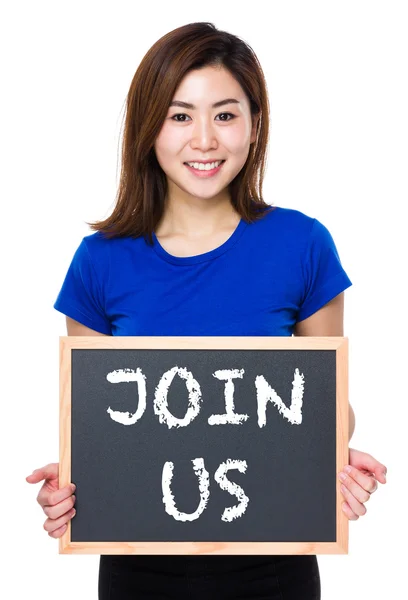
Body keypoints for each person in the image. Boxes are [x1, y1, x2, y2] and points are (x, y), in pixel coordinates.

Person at [26, 21, 387, 600]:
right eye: (179, 116)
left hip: (273, 563)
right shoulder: (100, 262)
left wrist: (332, 454)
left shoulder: (302, 245)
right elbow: (94, 427)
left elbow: (327, 400)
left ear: (253, 124)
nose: (204, 141)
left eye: (224, 114)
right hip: (137, 567)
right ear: (149, 128)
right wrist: (70, 487)